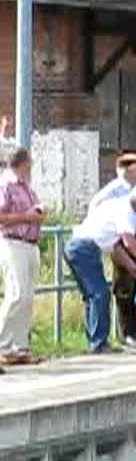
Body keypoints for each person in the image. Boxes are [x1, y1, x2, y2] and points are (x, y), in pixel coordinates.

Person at [65, 183, 136, 353]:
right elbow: (129, 242)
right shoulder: (125, 210)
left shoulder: (117, 205)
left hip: (82, 247)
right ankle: (98, 343)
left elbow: (115, 246)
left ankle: (96, 340)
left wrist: (132, 267)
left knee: (93, 295)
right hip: (85, 247)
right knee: (100, 294)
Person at [92, 151, 136, 347]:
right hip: (121, 239)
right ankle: (126, 332)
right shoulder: (115, 190)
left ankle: (135, 330)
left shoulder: (135, 188)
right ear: (128, 170)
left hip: (134, 236)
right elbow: (95, 208)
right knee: (125, 287)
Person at [0, 148, 44, 365]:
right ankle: (2, 344)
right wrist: (26, 217)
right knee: (16, 294)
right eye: (29, 162)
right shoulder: (5, 185)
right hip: (13, 242)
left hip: (29, 244)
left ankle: (19, 347)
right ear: (22, 163)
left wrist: (37, 214)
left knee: (27, 296)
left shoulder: (26, 185)